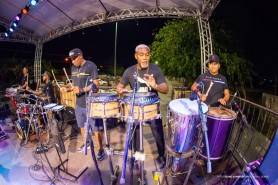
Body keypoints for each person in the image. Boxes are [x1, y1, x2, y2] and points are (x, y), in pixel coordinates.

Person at [116, 44, 168, 169]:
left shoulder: (155, 69)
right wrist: (121, 90)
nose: (145, 58)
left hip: (152, 108)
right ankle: (136, 155)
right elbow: (119, 87)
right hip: (136, 109)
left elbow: (165, 89)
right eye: (141, 55)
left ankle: (162, 155)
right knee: (135, 134)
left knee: (158, 134)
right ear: (136, 56)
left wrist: (155, 85)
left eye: (147, 55)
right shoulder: (129, 71)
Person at [60, 48, 105, 160]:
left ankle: (101, 149)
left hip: (90, 104)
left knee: (96, 129)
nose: (73, 61)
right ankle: (87, 142)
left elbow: (96, 84)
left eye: (75, 58)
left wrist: (82, 90)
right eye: (71, 59)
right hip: (79, 105)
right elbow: (74, 86)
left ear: (80, 56)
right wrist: (68, 89)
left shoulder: (91, 66)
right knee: (82, 127)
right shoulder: (73, 68)